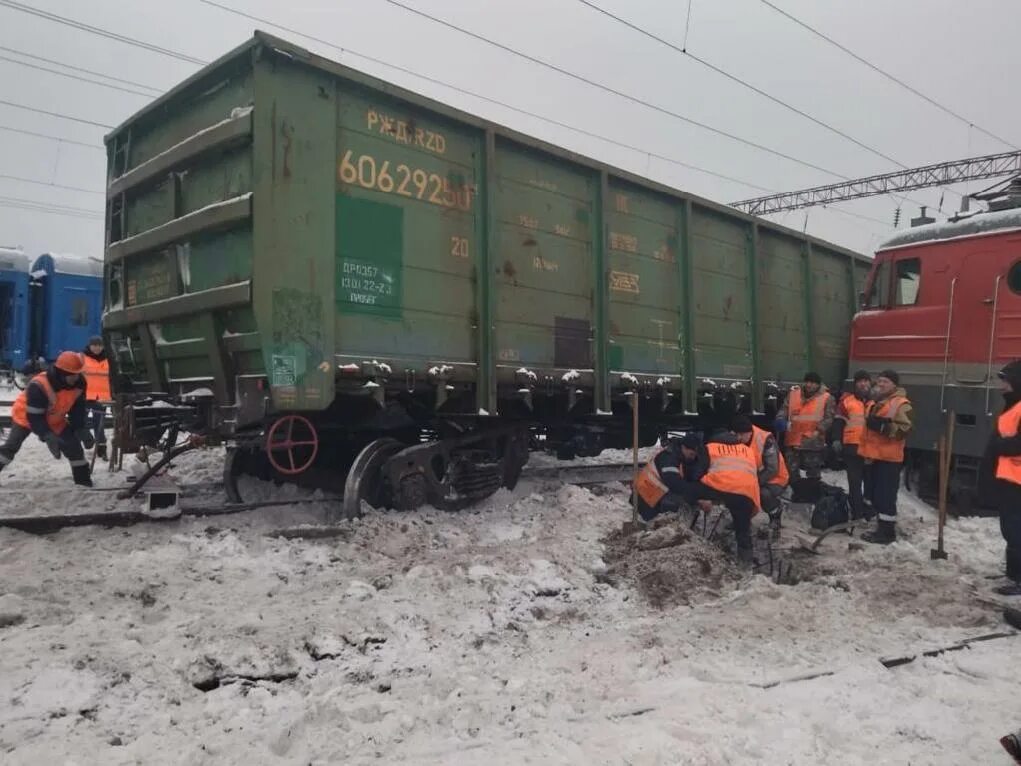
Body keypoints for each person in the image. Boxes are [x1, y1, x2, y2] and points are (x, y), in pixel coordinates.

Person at [0, 351, 93, 487]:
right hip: (26, 416)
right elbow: (35, 418)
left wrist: (80, 428)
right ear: (62, 372)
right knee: (10, 447)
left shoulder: (80, 383)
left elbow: (77, 409)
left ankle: (83, 483)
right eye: (72, 374)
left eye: (78, 373)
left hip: (55, 417)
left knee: (74, 448)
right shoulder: (38, 386)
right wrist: (47, 436)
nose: (76, 377)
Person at [858, 370, 912, 544]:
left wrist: (883, 427)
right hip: (874, 457)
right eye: (879, 381)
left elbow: (906, 430)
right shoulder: (876, 403)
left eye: (885, 382)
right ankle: (880, 528)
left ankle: (887, 533)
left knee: (885, 496)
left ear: (894, 385)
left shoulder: (902, 404)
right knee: (874, 495)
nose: (881, 384)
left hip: (889, 459)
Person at [983, 360, 1021, 596]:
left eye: (1005, 381)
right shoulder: (1013, 406)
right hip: (1009, 478)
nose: (1001, 386)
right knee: (1010, 528)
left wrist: (998, 445)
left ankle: (1018, 580)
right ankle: (1012, 573)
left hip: (1018, 481)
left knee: (1016, 530)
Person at [776, 371, 835, 481]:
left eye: (812, 382)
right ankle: (796, 493)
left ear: (818, 384)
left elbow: (829, 418)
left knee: (813, 473)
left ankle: (812, 494)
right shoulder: (793, 394)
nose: (809, 385)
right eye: (807, 382)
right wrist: (780, 420)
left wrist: (819, 430)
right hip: (792, 440)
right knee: (791, 473)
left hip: (812, 442)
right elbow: (783, 410)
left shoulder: (827, 398)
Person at [731, 415, 789, 525]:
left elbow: (772, 469)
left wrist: (753, 483)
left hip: (775, 480)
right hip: (753, 477)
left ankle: (775, 513)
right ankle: (741, 520)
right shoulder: (737, 439)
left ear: (749, 432)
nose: (738, 438)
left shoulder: (765, 440)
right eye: (736, 434)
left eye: (741, 435)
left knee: (763, 494)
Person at [634, 434, 706, 521]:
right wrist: (697, 499)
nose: (693, 457)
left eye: (695, 455)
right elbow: (675, 484)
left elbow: (690, 478)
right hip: (645, 497)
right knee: (675, 503)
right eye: (691, 454)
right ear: (683, 447)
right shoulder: (669, 458)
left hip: (654, 494)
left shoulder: (681, 456)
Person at [833, 370, 873, 520]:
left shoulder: (876, 402)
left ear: (870, 383)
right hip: (852, 448)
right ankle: (857, 514)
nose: (863, 384)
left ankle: (869, 511)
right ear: (855, 384)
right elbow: (838, 422)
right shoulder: (846, 401)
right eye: (860, 381)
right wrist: (836, 439)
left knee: (871, 484)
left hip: (871, 450)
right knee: (855, 484)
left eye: (866, 381)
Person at [81, 335, 110, 459]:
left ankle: (101, 449)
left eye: (99, 345)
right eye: (94, 345)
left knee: (100, 425)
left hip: (101, 397)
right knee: (80, 422)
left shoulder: (108, 359)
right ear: (90, 346)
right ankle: (87, 441)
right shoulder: (82, 358)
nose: (97, 348)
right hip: (85, 396)